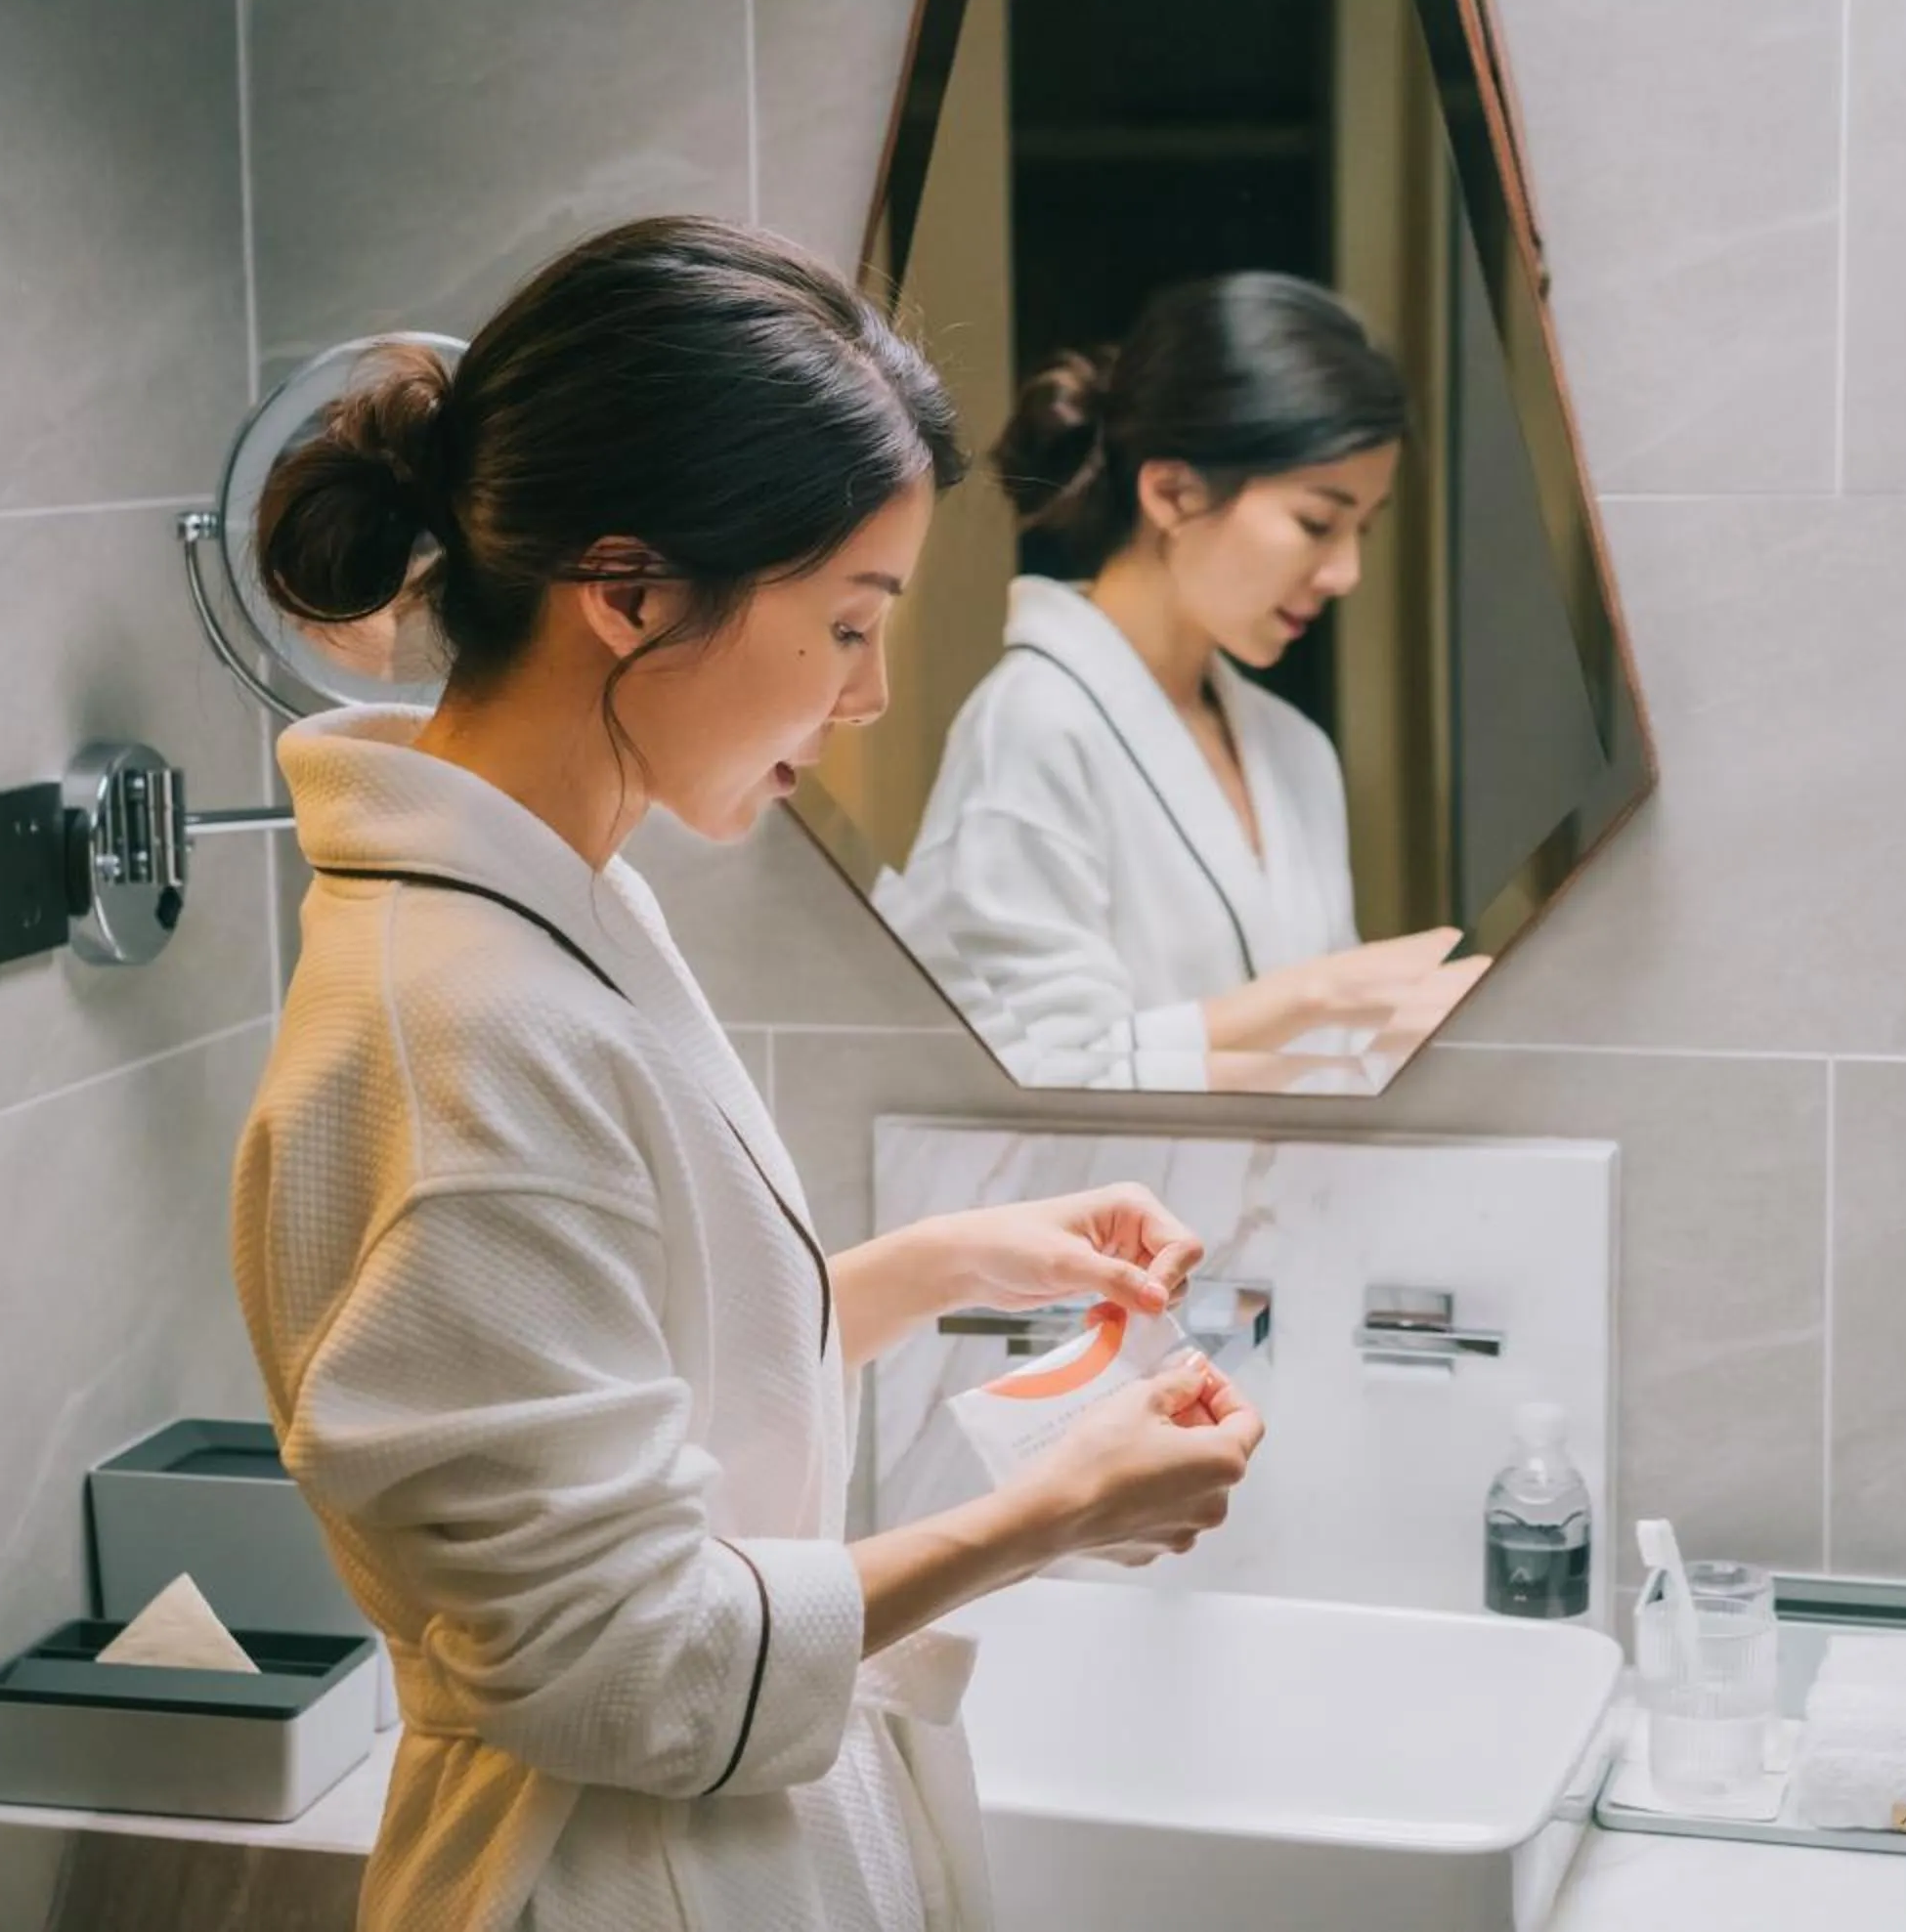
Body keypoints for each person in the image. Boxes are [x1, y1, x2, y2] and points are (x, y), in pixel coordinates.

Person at [230, 216, 1264, 1932]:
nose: (868, 697)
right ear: (631, 591)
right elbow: (623, 1658)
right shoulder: (468, 1019)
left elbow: (630, 1372)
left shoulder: (552, 909)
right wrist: (1051, 1513)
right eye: (851, 624)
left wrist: (941, 1265)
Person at [880, 272, 1488, 1094]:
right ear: (1171, 492)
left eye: (1362, 531)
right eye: (1317, 522)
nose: (1346, 572)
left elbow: (1327, 1072)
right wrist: (1315, 996)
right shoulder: (1032, 727)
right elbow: (1019, 1078)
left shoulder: (1294, 748)